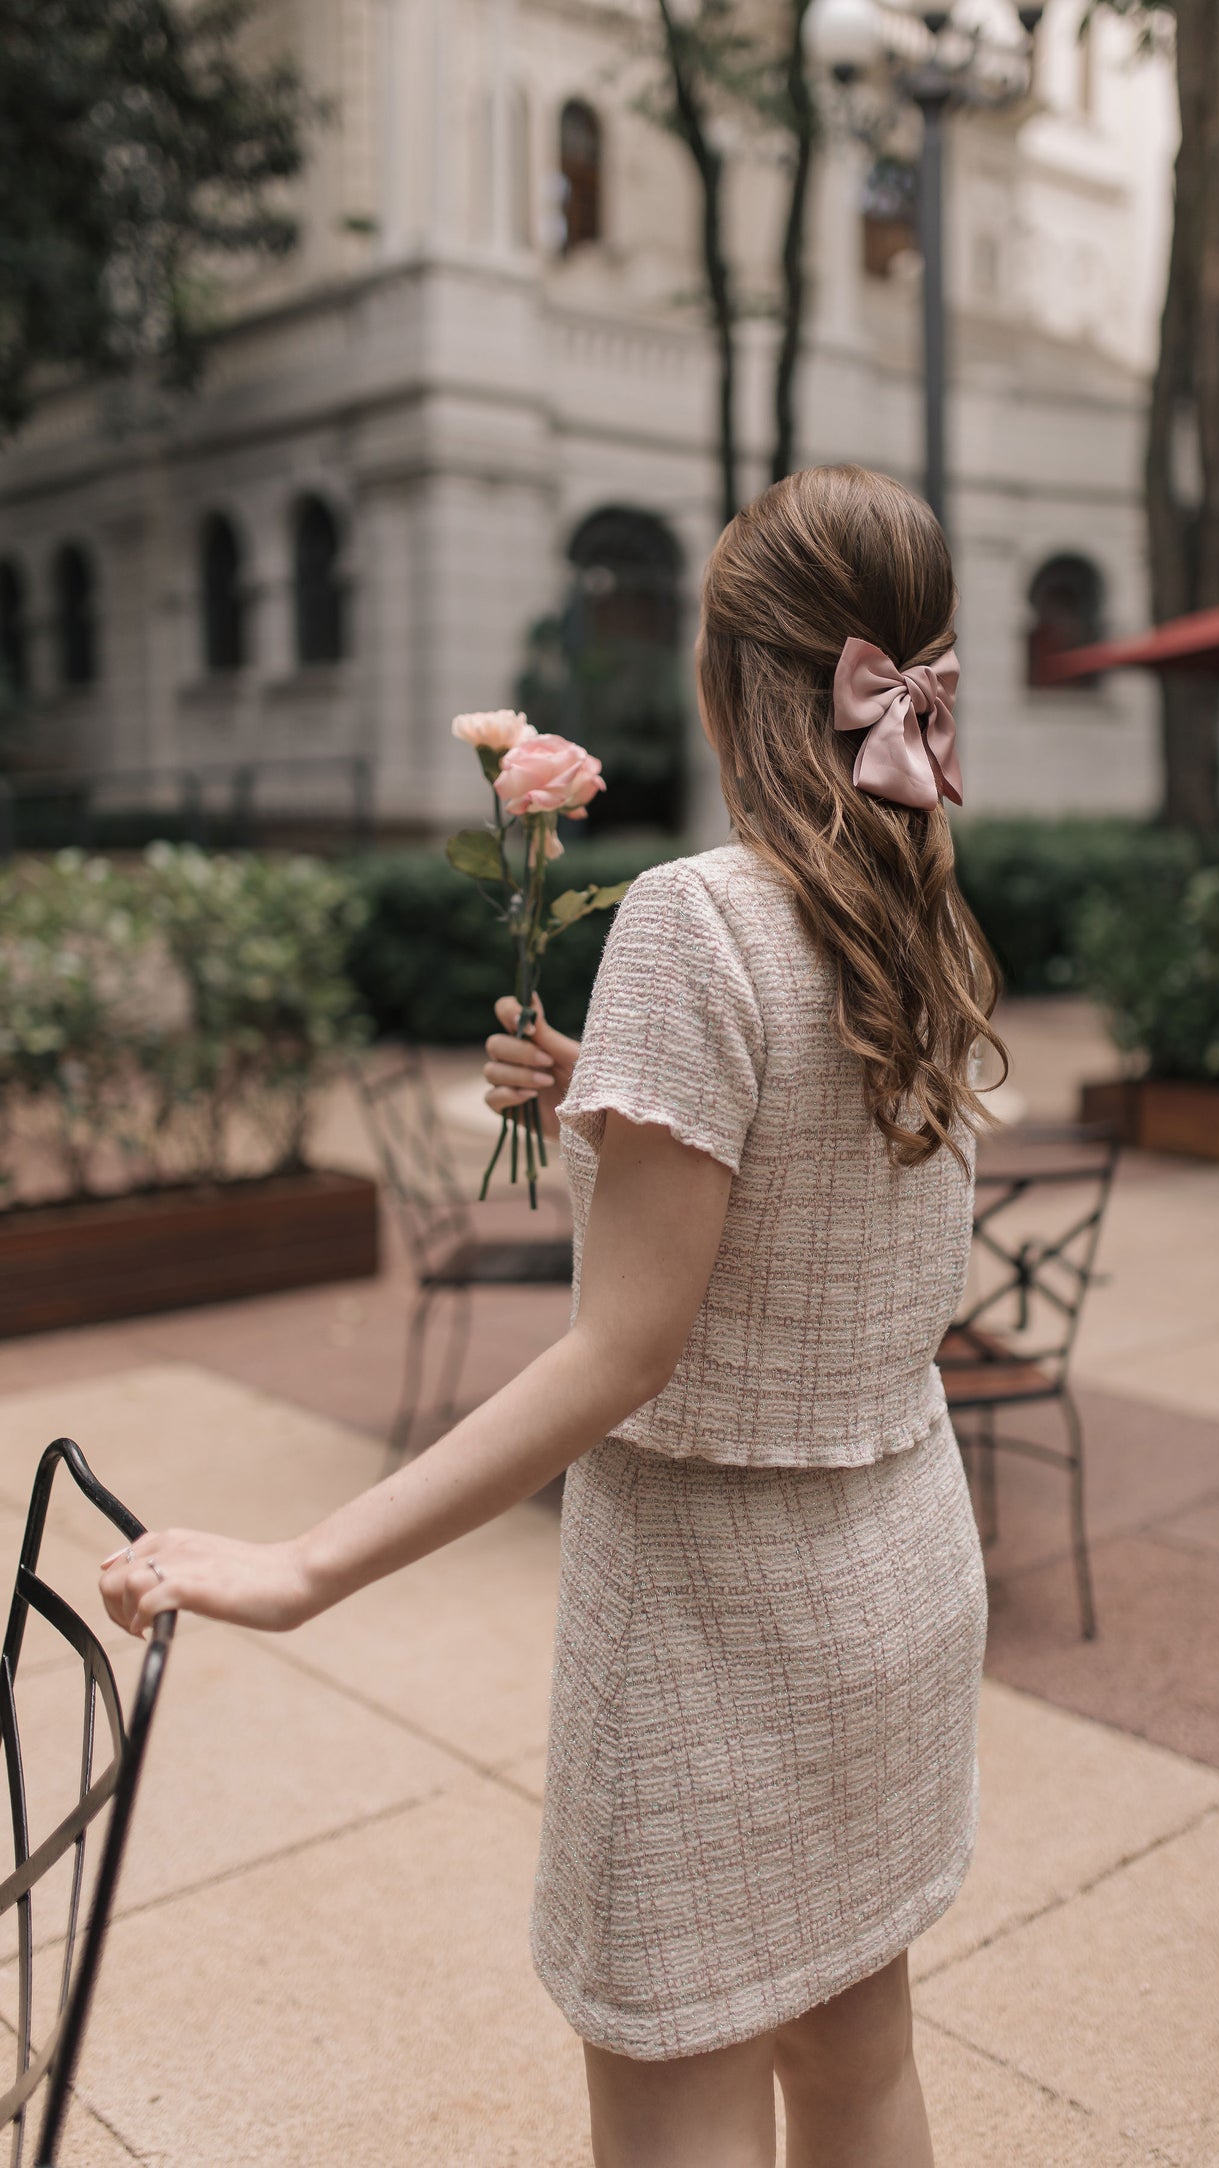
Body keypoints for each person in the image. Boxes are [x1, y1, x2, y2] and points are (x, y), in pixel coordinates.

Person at [99, 463, 1004, 2168]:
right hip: (898, 1579)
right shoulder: (917, 909)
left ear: (731, 678)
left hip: (717, 1624)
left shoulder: (690, 915)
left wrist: (306, 1568)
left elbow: (625, 1351)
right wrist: (617, 1090)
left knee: (681, 2109)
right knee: (859, 2067)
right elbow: (817, 1195)